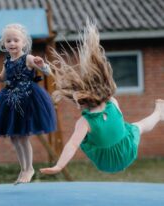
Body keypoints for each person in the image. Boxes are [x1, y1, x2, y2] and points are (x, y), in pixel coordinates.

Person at [40, 21, 164, 175]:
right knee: (139, 126)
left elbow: (72, 145)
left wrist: (59, 166)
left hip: (106, 162)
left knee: (126, 129)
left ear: (81, 99)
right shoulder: (113, 102)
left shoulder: (84, 122)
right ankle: (159, 114)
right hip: (126, 150)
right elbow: (118, 123)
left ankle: (158, 113)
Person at [0, 23, 56, 184]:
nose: (12, 43)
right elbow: (2, 78)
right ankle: (23, 168)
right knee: (14, 137)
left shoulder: (28, 58)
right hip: (11, 99)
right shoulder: (7, 62)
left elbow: (48, 72)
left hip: (27, 98)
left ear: (24, 43)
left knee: (23, 136)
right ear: (4, 44)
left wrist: (42, 65)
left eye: (15, 40)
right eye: (8, 41)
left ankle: (29, 168)